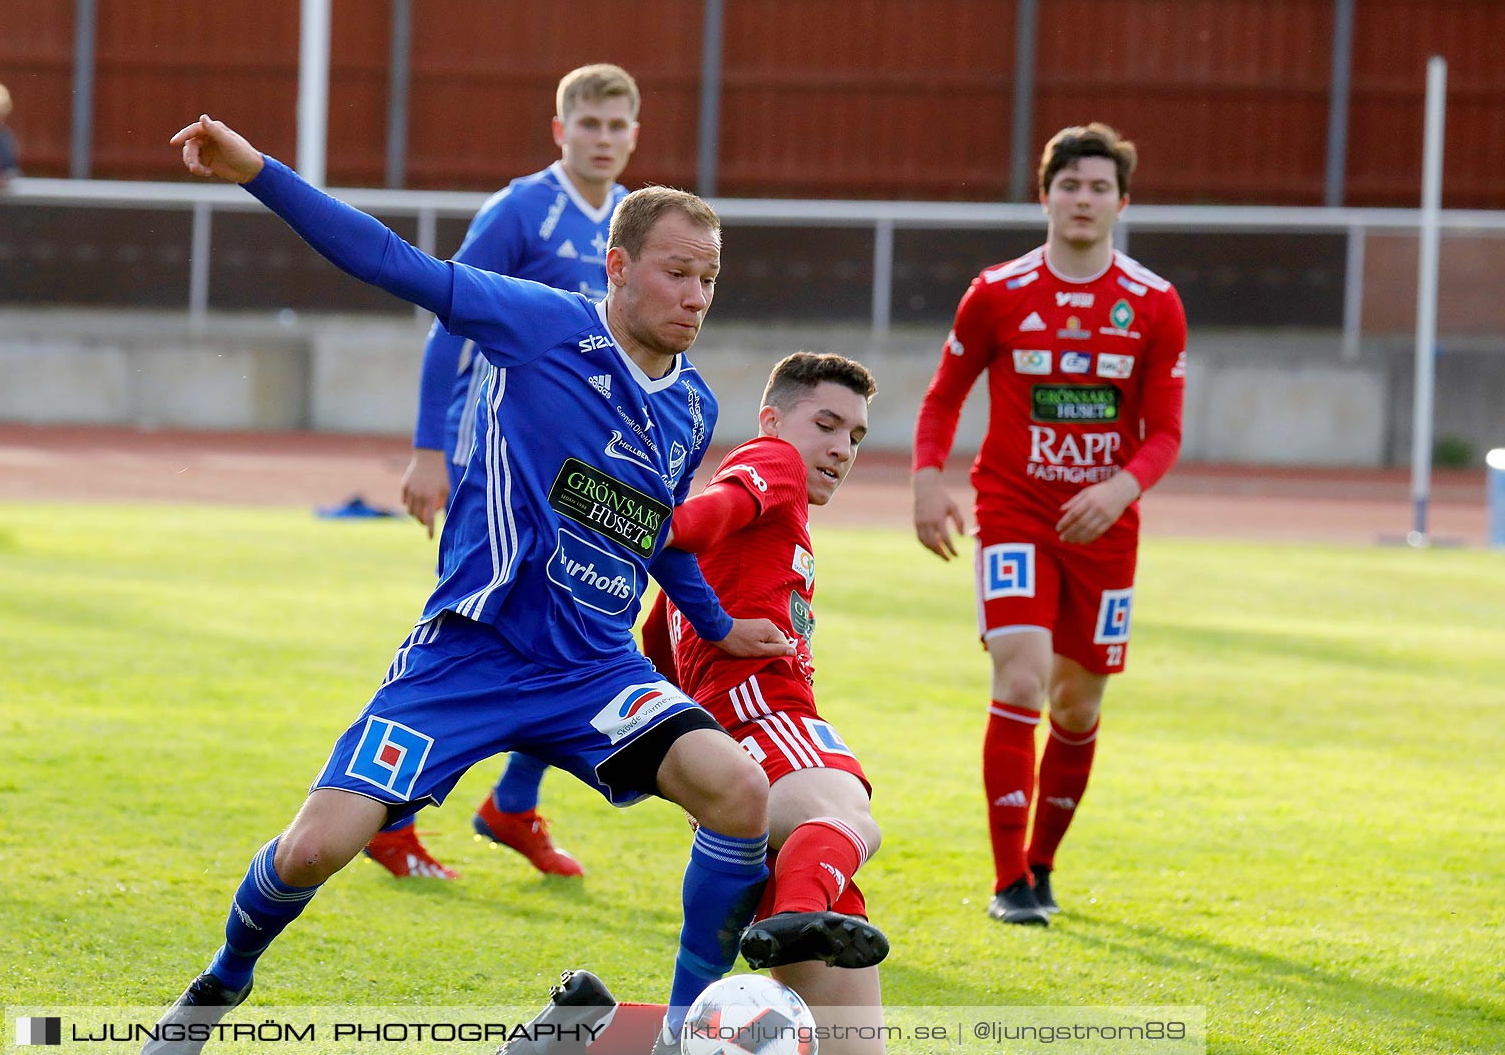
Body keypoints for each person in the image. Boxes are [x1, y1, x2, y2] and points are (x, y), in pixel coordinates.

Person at [145, 113, 797, 1055]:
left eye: (709, 278)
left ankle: (686, 1031)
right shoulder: (540, 325)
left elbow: (652, 532)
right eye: (676, 272)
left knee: (740, 792)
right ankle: (216, 987)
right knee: (313, 850)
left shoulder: (693, 406)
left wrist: (715, 621)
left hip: (592, 672)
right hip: (469, 656)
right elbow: (389, 260)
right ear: (616, 268)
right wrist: (258, 172)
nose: (696, 296)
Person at [910, 123, 1187, 925]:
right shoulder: (997, 291)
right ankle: (1007, 883)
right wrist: (928, 483)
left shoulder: (1154, 303)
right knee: (1022, 679)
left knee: (1078, 707)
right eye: (1070, 184)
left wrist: (1122, 488)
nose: (1083, 199)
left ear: (1121, 203)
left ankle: (1042, 863)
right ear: (1045, 194)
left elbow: (1165, 431)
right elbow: (942, 396)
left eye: (1099, 187)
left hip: (1105, 530)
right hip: (1013, 513)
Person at [375, 62, 643, 881]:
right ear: (560, 131)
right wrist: (431, 447)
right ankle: (388, 808)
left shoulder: (636, 217)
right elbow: (447, 325)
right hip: (497, 460)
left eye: (617, 126)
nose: (603, 139)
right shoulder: (521, 208)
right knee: (472, 624)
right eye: (588, 125)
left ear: (635, 133)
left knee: (583, 626)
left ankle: (512, 804)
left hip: (582, 465)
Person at [641, 351, 892, 1055]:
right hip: (765, 716)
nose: (842, 448)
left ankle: (580, 1032)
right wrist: (656, 526)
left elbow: (655, 644)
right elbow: (705, 516)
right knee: (847, 814)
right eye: (828, 424)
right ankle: (801, 910)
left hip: (735, 757)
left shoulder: (725, 560)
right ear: (773, 419)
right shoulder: (773, 461)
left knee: (846, 1043)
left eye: (857, 436)